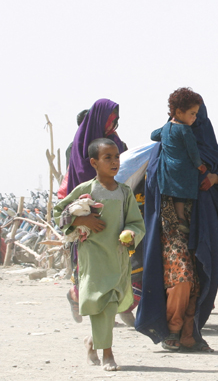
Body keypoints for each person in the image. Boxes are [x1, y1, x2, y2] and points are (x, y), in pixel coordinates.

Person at [136, 101, 218, 353]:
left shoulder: (211, 150)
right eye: (191, 114)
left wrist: (214, 177)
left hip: (202, 226)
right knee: (181, 279)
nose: (194, 120)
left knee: (200, 277)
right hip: (171, 225)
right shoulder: (163, 148)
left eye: (197, 116)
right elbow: (154, 181)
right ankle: (172, 328)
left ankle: (190, 335)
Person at [53, 138, 145, 371]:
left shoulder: (125, 192)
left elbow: (137, 223)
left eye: (116, 157)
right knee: (101, 302)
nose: (114, 162)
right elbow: (57, 213)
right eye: (108, 158)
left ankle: (93, 342)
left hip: (117, 256)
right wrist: (82, 219)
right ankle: (108, 354)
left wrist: (129, 233)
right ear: (94, 162)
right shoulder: (86, 189)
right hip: (92, 257)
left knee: (112, 303)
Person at [63, 99, 126, 323]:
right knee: (89, 261)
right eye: (109, 120)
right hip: (89, 214)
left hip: (115, 208)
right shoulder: (80, 147)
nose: (113, 125)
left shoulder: (114, 142)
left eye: (115, 121)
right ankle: (78, 297)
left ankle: (110, 307)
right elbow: (81, 181)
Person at [150, 87, 206, 234]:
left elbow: (153, 135)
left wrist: (169, 122)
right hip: (183, 169)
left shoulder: (167, 127)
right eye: (192, 114)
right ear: (179, 112)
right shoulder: (185, 130)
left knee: (173, 195)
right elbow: (192, 151)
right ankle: (181, 217)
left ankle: (176, 218)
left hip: (167, 170)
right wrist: (199, 165)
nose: (194, 118)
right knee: (181, 195)